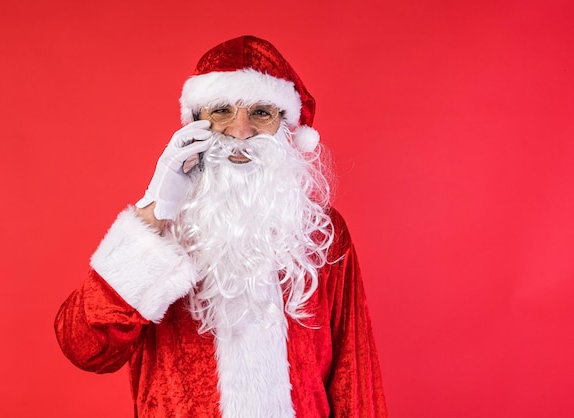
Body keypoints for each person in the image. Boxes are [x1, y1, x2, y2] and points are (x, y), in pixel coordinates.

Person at [55, 35, 387, 418]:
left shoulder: (321, 231)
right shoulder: (160, 225)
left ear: (284, 127)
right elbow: (85, 348)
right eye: (222, 111)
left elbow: (354, 378)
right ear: (196, 123)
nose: (239, 130)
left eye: (261, 112)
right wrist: (154, 212)